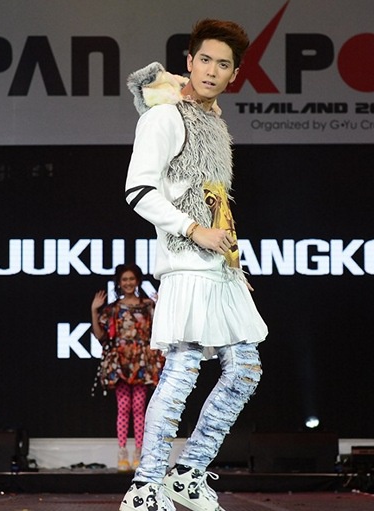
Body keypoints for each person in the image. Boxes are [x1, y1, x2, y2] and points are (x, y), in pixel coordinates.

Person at [120, 19, 268, 511]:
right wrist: (192, 229)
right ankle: (145, 488)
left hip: (220, 268)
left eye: (222, 64)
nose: (211, 70)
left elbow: (213, 200)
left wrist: (229, 256)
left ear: (234, 74)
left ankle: (187, 474)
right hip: (186, 262)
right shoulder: (163, 118)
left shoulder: (215, 124)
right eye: (204, 59)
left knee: (244, 371)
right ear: (188, 61)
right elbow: (139, 191)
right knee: (182, 369)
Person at [91, 263, 164, 472]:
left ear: (138, 281)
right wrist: (94, 311)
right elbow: (101, 336)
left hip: (141, 362)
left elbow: (160, 329)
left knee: (139, 409)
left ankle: (139, 453)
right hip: (120, 362)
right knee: (123, 409)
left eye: (132, 279)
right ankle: (122, 452)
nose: (128, 283)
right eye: (124, 280)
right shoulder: (113, 309)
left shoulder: (148, 306)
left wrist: (162, 306)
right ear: (119, 283)